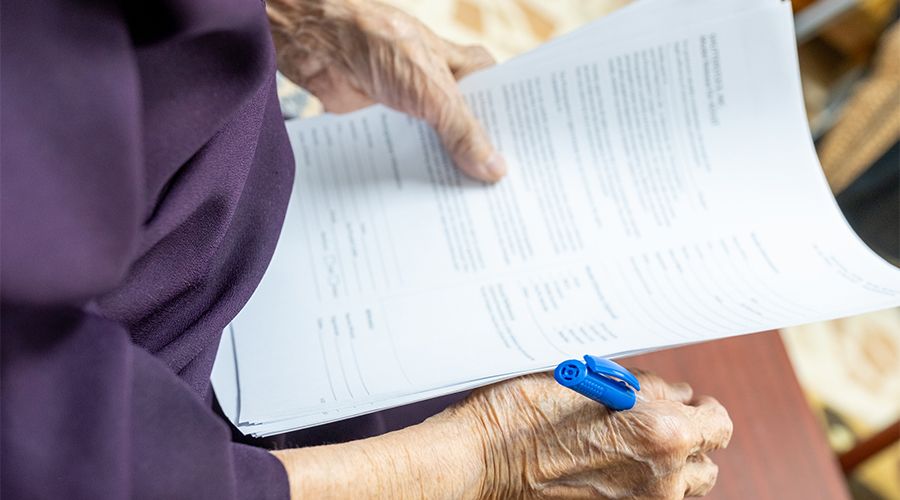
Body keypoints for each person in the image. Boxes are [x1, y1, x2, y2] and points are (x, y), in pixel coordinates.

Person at [0, 0, 733, 498]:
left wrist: (290, 17)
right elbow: (45, 448)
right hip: (163, 430)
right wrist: (487, 461)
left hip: (264, 229)